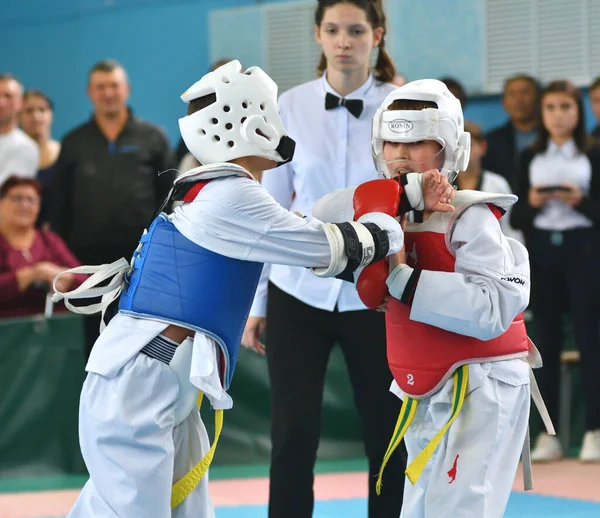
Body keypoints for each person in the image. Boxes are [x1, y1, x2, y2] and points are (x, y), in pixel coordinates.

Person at [52, 60, 411, 518]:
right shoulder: (232, 196)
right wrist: (393, 218)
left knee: (184, 509)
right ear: (254, 123)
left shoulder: (211, 187)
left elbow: (308, 231)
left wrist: (399, 200)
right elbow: (333, 246)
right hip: (143, 378)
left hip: (160, 377)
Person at [313, 79, 552, 518]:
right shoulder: (385, 213)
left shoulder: (469, 214)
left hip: (481, 382)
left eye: (420, 141)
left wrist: (402, 280)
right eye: (391, 141)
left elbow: (494, 307)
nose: (402, 154)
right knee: (420, 508)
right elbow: (319, 218)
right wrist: (389, 200)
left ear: (451, 149)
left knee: (458, 509)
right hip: (425, 386)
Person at [241, 1, 409, 516]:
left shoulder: (403, 106)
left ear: (377, 35)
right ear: (317, 35)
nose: (344, 41)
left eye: (356, 30)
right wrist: (257, 301)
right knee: (292, 433)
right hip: (298, 291)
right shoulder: (287, 106)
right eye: (333, 30)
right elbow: (269, 210)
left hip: (378, 291)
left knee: (387, 430)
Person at [50, 59, 176, 358]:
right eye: (100, 87)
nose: (108, 93)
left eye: (114, 86)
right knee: (94, 347)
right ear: (89, 93)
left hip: (143, 259)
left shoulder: (153, 137)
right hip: (87, 265)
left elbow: (171, 199)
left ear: (127, 90)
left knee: (144, 342)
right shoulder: (74, 142)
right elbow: (59, 206)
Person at [511, 79, 600, 463]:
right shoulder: (530, 157)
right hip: (543, 254)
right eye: (551, 108)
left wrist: (580, 201)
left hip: (584, 252)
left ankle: (594, 431)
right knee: (542, 342)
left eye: (566, 107)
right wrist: (532, 201)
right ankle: (550, 435)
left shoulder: (593, 154)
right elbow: (517, 216)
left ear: (577, 112)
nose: (558, 115)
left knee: (590, 339)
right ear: (542, 114)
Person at [0, 175, 86, 318]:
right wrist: (31, 274)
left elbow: (84, 280)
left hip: (54, 329)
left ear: (39, 207)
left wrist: (58, 275)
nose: (25, 205)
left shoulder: (49, 239)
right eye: (17, 198)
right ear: (1, 203)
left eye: (31, 200)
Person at [457, 121, 524, 243]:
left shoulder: (497, 184)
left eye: (469, 146)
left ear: (482, 147)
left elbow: (509, 228)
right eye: (458, 147)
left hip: (491, 252)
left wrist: (514, 260)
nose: (463, 153)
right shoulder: (445, 184)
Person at [482, 74, 540, 191]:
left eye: (525, 92)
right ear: (504, 102)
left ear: (539, 98)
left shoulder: (552, 136)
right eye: (512, 94)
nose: (519, 99)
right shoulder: (492, 140)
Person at [19, 89, 61, 226]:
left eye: (42, 110)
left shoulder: (65, 153)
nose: (36, 116)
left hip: (58, 236)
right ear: (19, 116)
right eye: (29, 111)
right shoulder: (10, 156)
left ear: (51, 115)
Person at [0, 74, 39, 186]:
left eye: (8, 96)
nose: (1, 103)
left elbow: (7, 190)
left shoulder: (25, 147)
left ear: (21, 103)